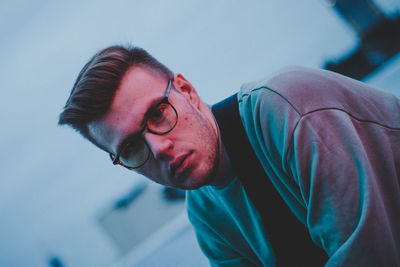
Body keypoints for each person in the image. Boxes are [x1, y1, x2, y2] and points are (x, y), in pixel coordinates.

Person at [58, 45, 400, 266]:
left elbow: (374, 256)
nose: (158, 147)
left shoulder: (286, 106)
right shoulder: (207, 214)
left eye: (158, 112)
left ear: (188, 92)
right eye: (131, 148)